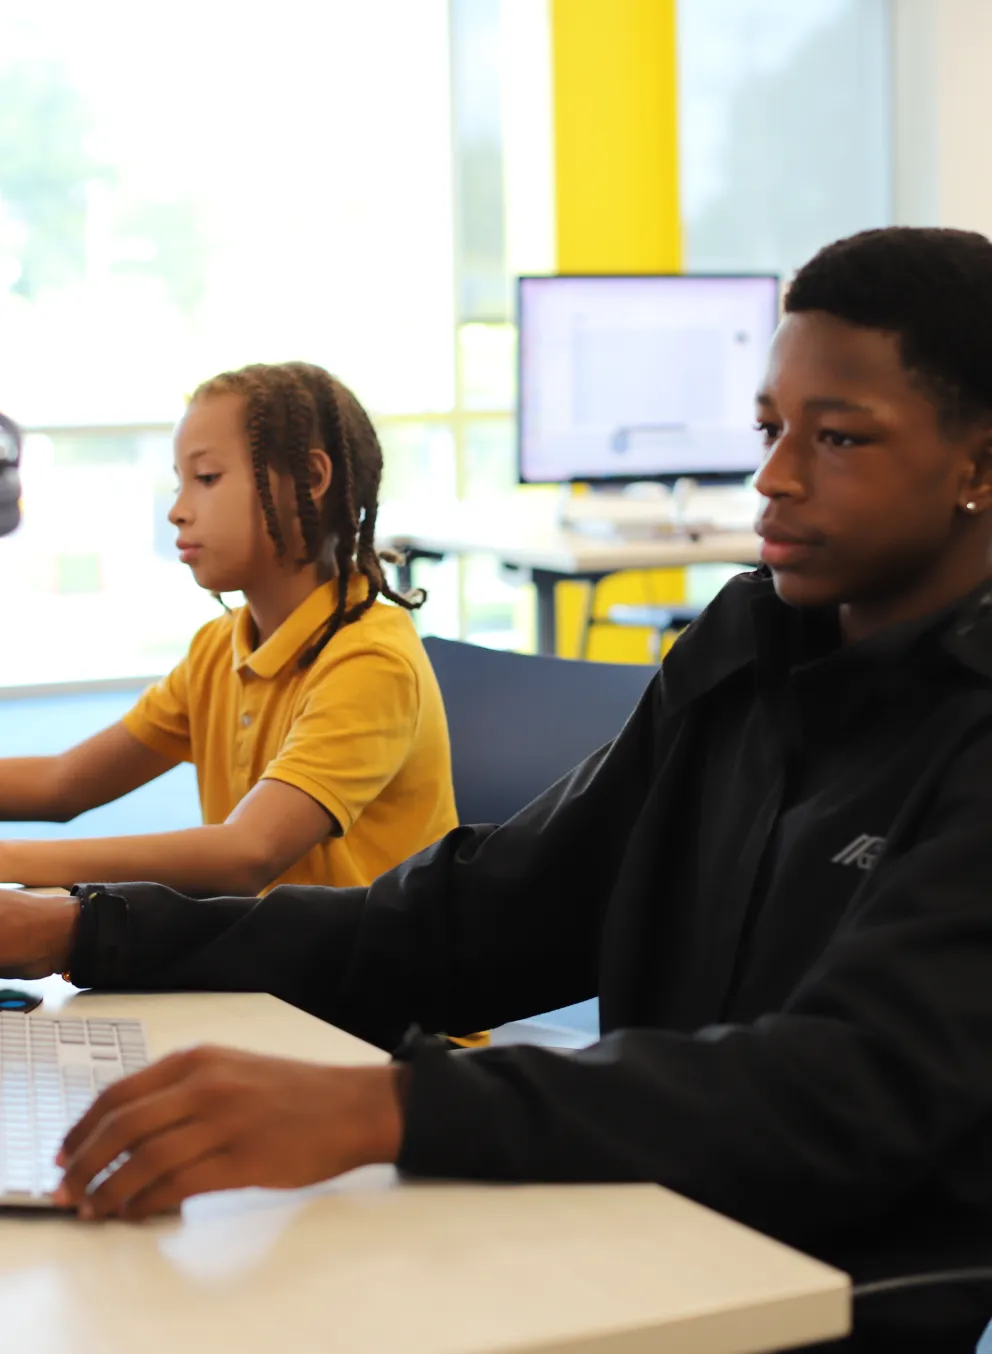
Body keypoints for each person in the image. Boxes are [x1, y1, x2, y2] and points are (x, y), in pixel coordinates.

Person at [6, 226, 992, 1350]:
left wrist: (388, 1106)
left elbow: (837, 1087)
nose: (771, 478)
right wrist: (87, 934)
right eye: (769, 430)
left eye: (838, 438)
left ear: (977, 464)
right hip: (622, 1222)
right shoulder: (747, 644)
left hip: (814, 1303)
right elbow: (475, 913)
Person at [0, 361, 458, 899]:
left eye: (207, 478)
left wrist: (10, 859)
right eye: (179, 482)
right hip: (261, 957)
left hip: (360, 975)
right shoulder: (220, 648)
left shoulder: (369, 660)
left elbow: (248, 853)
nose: (176, 511)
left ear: (310, 481)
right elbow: (64, 784)